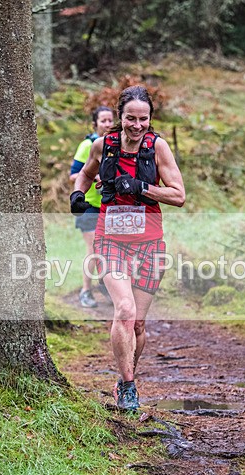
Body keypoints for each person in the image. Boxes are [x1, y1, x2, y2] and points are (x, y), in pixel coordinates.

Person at [71, 86, 186, 411]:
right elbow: (84, 174)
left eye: (143, 119)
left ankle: (124, 380)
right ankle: (130, 385)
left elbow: (178, 195)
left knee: (138, 325)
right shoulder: (102, 146)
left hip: (150, 243)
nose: (137, 125)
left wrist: (141, 188)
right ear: (119, 118)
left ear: (150, 119)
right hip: (111, 240)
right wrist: (77, 195)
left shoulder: (157, 147)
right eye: (130, 118)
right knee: (124, 310)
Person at [70, 106, 115, 308]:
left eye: (109, 120)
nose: (107, 124)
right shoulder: (87, 145)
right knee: (94, 249)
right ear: (95, 123)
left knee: (110, 250)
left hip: (110, 206)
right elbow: (74, 175)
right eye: (103, 120)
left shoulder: (115, 145)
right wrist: (95, 176)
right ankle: (86, 291)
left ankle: (106, 286)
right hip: (88, 206)